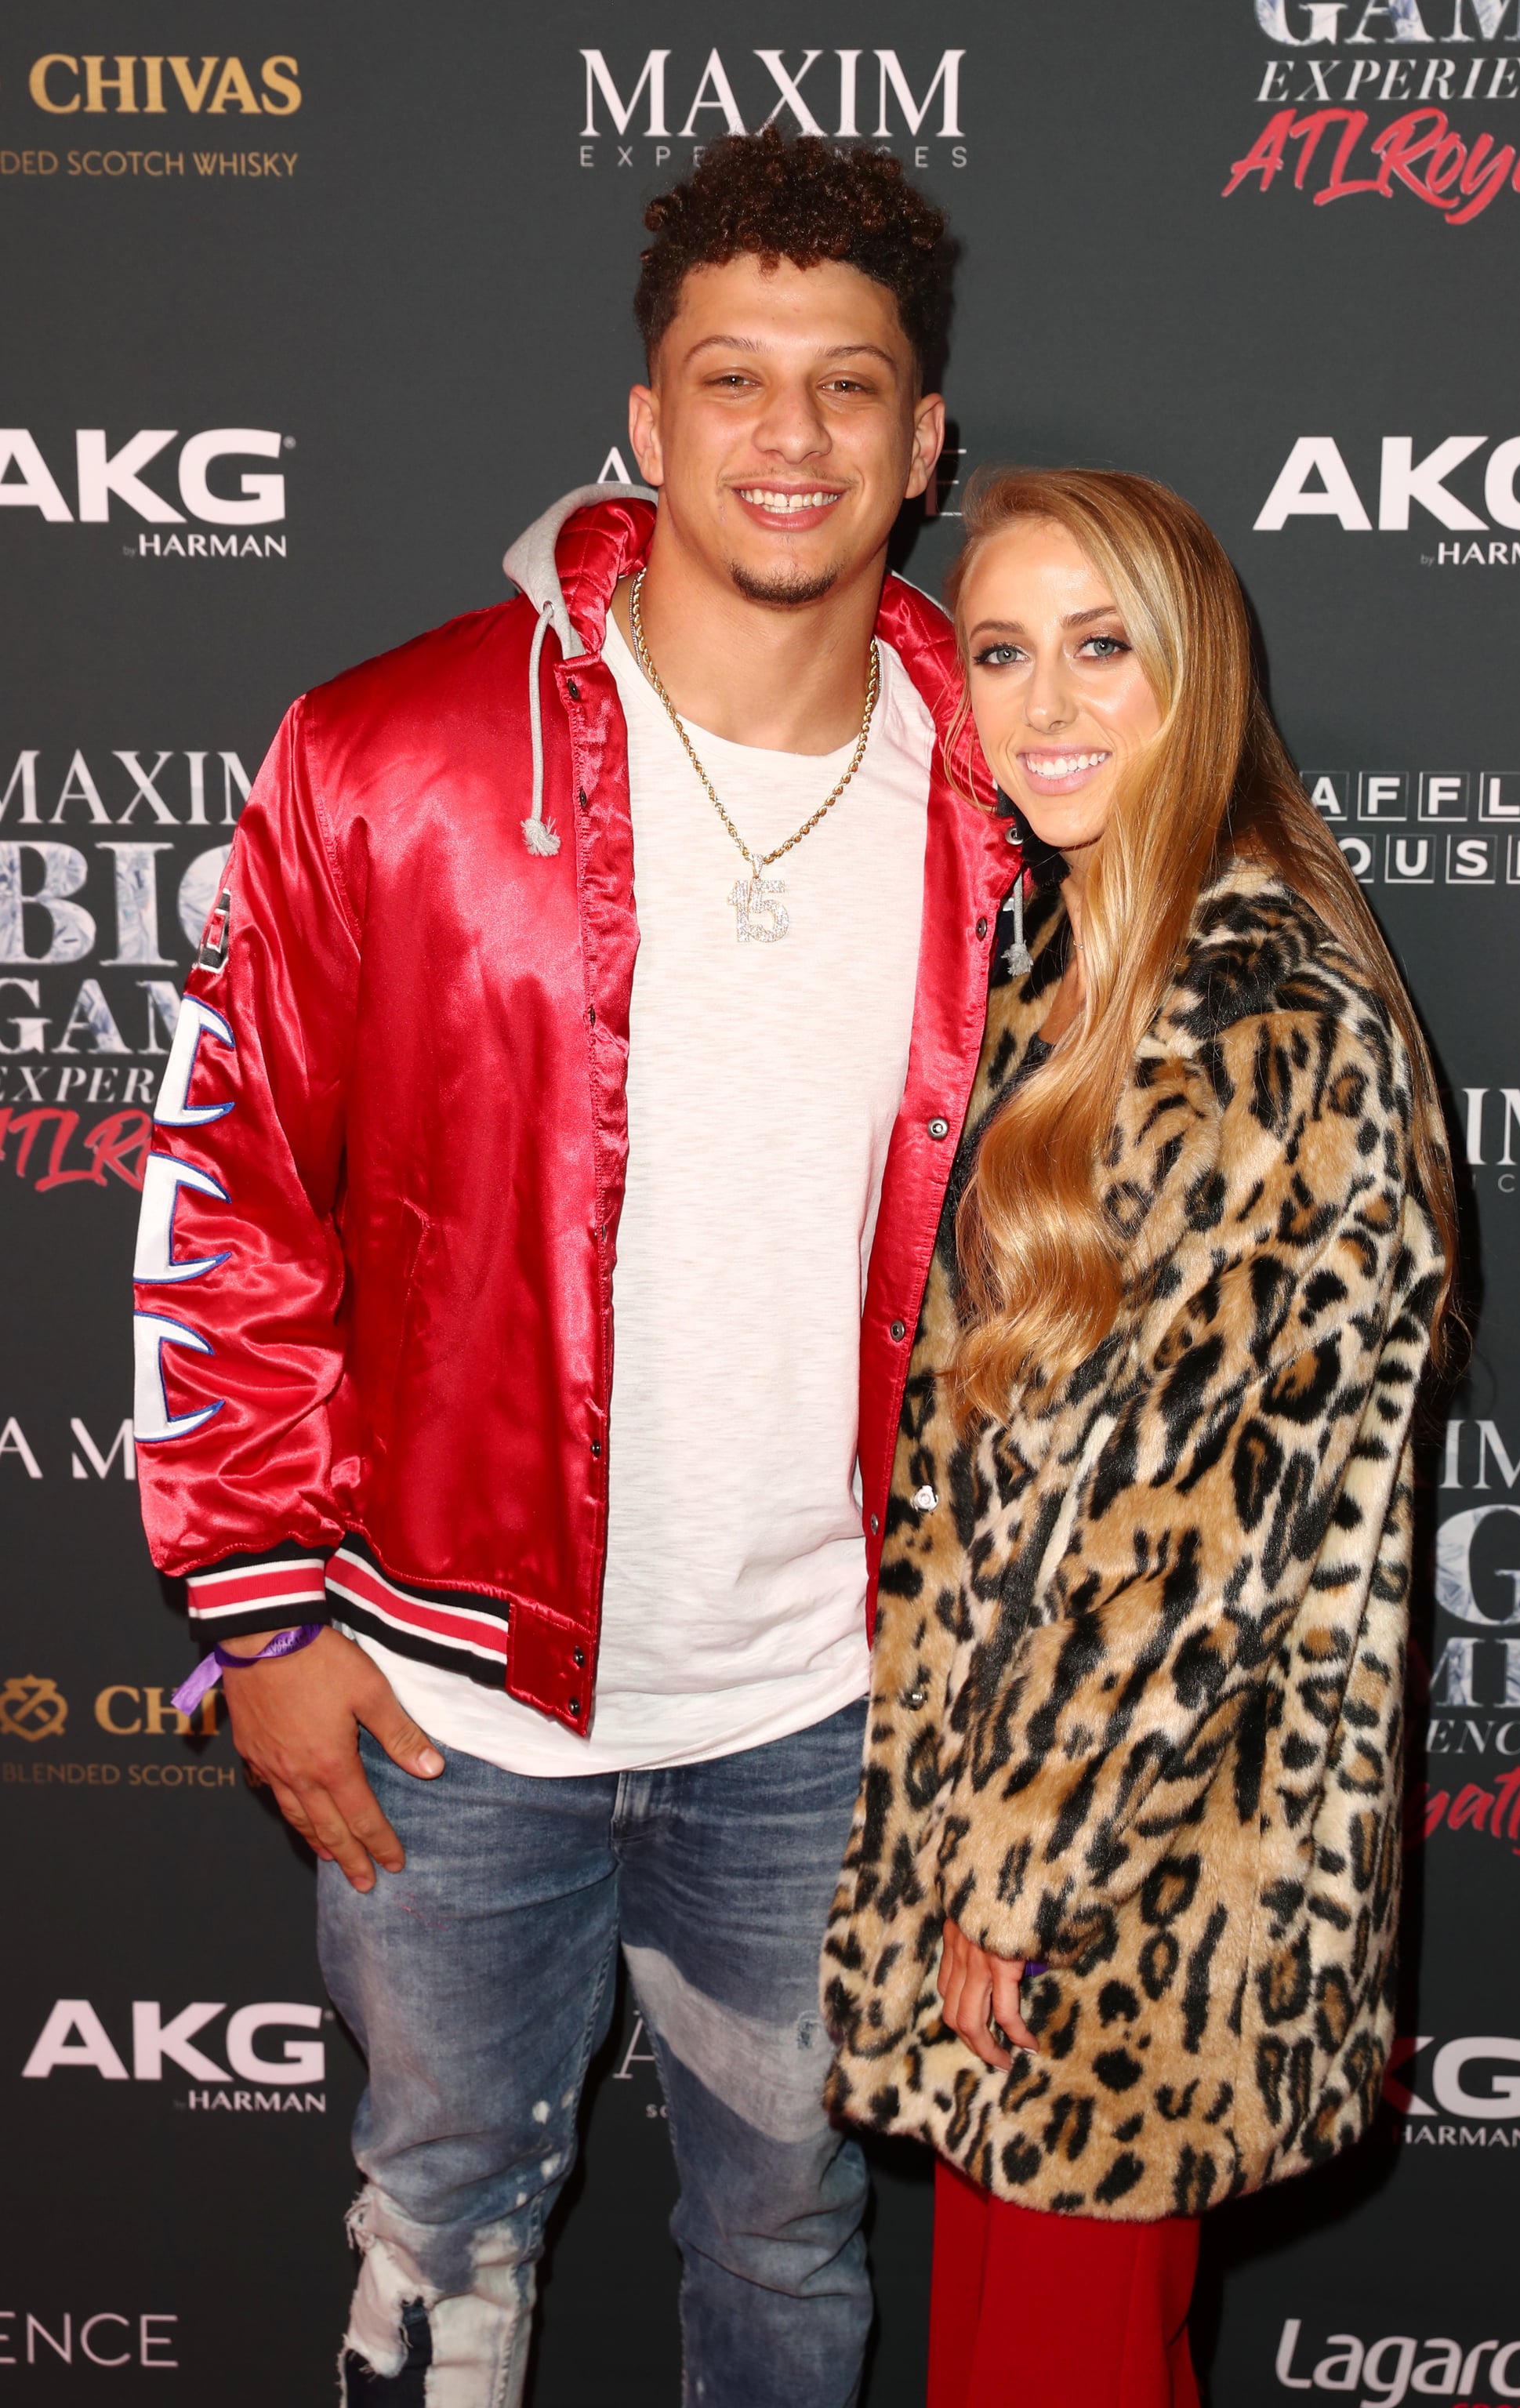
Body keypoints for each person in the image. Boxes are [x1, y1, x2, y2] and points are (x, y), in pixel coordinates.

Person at [132, 132, 1022, 2406]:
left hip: (823, 1710)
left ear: (927, 444)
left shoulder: (1014, 810)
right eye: (734, 378)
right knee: (439, 2235)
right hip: (448, 1706)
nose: (790, 438)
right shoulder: (391, 752)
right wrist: (258, 1612)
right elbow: (232, 1191)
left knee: (796, 2241)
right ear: (647, 422)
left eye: (849, 387)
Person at [822, 469, 1457, 2407]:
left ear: (1197, 674)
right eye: (1000, 650)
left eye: (1103, 647)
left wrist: (1019, 1879)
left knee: (1066, 2376)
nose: (1044, 705)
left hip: (1142, 1874)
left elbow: (1180, 1535)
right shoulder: (1079, 963)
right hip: (1040, 1839)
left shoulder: (1253, 1012)